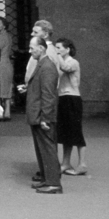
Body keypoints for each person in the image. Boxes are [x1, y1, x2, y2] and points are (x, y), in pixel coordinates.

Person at [24, 36, 63, 193]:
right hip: (39, 114)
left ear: (41, 48)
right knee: (43, 148)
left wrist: (45, 118)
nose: (30, 51)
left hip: (42, 115)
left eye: (32, 48)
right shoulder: (43, 64)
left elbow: (48, 95)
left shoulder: (46, 67)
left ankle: (53, 182)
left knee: (47, 149)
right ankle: (47, 178)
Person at [54, 38, 87, 175]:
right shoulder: (60, 61)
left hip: (72, 98)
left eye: (59, 48)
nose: (57, 50)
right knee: (66, 133)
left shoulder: (73, 62)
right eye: (55, 47)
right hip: (62, 98)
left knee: (76, 132)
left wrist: (56, 56)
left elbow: (66, 68)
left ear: (67, 49)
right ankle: (66, 163)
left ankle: (82, 164)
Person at [0, 17, 16, 119]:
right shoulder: (8, 36)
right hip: (7, 63)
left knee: (0, 86)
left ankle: (0, 111)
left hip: (1, 63)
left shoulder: (0, 38)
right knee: (7, 86)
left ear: (4, 26)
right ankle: (7, 111)